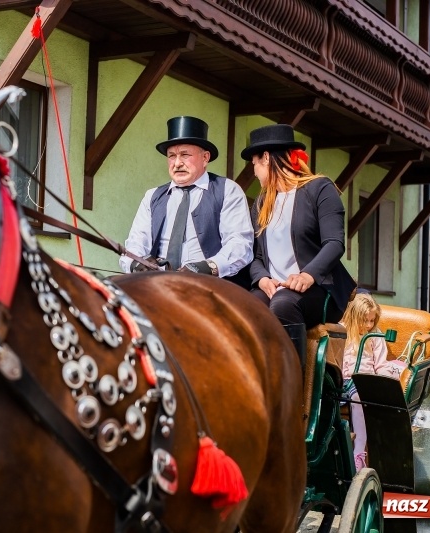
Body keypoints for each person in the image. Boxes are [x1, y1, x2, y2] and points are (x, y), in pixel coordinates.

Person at [243, 123, 356, 367]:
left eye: (254, 164)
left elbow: (335, 243)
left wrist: (307, 275)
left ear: (266, 157)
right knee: (246, 306)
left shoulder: (320, 189)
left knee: (283, 304)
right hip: (275, 288)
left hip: (318, 289)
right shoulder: (262, 202)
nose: (253, 171)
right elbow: (255, 255)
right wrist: (262, 278)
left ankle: (293, 392)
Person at [119, 116, 253, 285]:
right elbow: (135, 243)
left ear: (205, 158)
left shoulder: (228, 190)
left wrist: (207, 267)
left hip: (211, 284)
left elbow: (240, 245)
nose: (177, 163)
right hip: (159, 284)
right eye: (171, 156)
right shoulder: (152, 196)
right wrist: (137, 264)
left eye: (184, 155)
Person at [341, 294, 405, 471]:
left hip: (364, 381)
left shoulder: (375, 335)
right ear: (354, 317)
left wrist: (385, 383)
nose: (369, 325)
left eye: (372, 320)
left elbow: (381, 364)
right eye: (365, 320)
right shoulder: (342, 331)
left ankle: (359, 453)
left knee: (358, 398)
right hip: (341, 380)